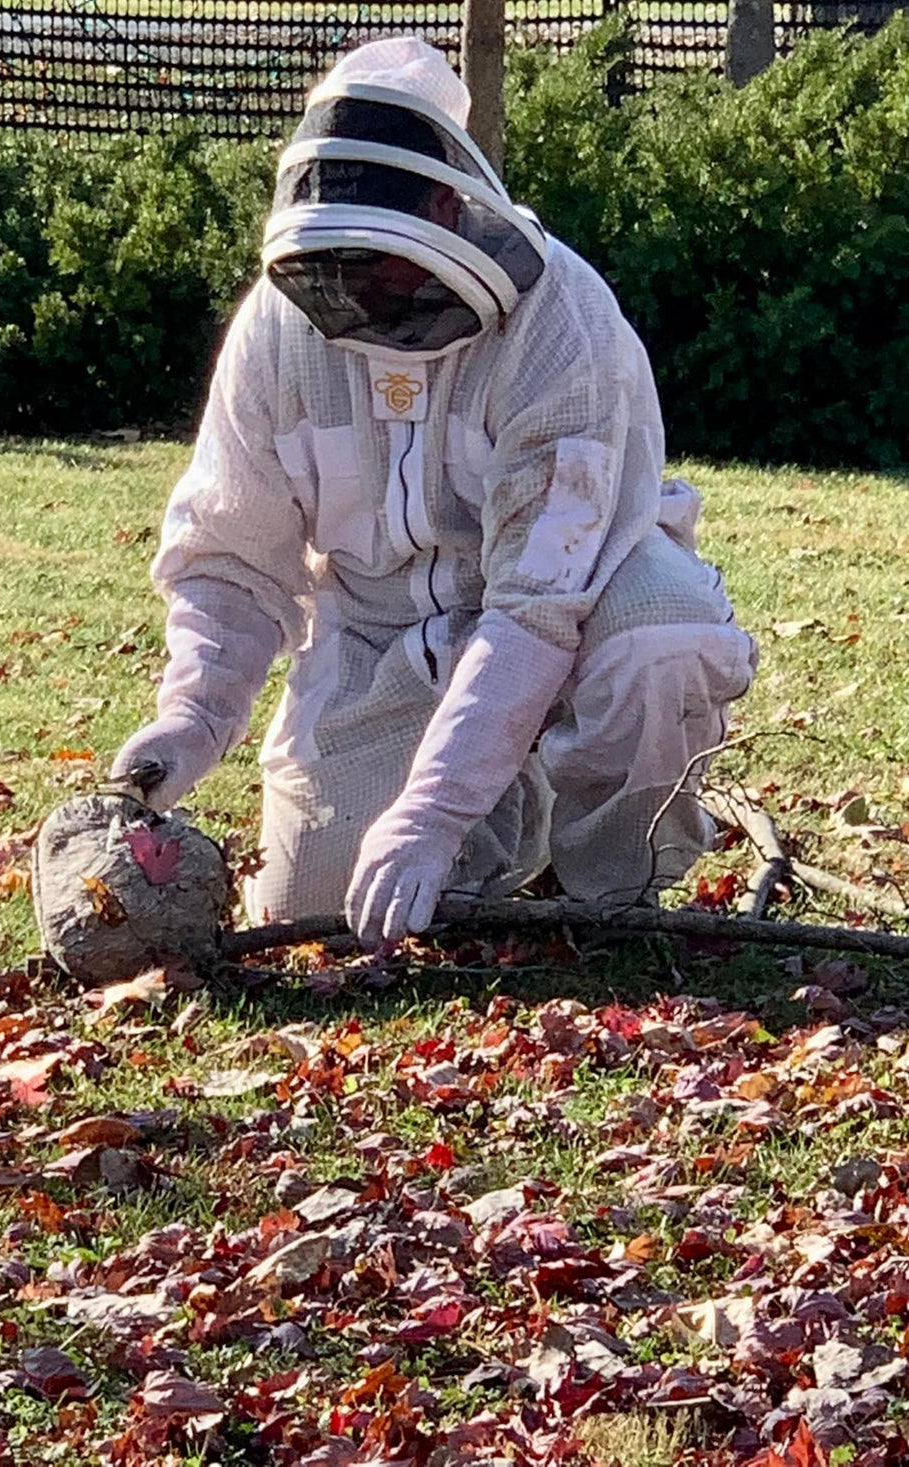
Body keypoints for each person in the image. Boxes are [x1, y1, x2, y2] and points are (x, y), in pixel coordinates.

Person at [110, 36, 758, 946]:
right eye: (342, 272)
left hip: (583, 606)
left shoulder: (562, 325)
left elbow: (537, 607)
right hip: (380, 640)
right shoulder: (273, 334)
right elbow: (232, 555)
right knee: (321, 913)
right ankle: (497, 831)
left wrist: (432, 813)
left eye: (384, 266)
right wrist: (193, 715)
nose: (365, 298)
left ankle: (608, 887)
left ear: (447, 207)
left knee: (661, 636)